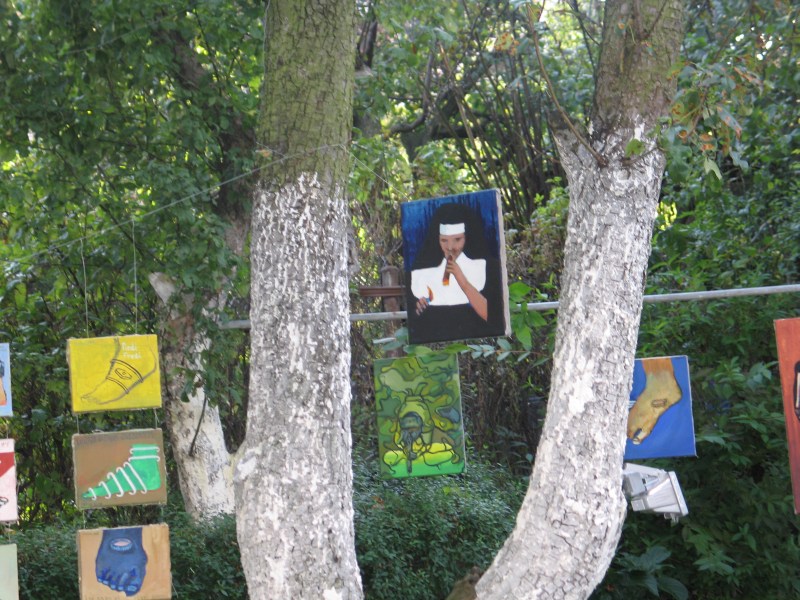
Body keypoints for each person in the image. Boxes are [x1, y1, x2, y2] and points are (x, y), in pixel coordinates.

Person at [406, 202, 505, 343]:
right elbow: (415, 324)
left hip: (479, 342)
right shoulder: (421, 272)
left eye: (457, 239)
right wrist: (419, 308)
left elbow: (494, 318)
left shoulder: (487, 267)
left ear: (467, 237)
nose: (450, 247)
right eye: (444, 240)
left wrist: (462, 280)